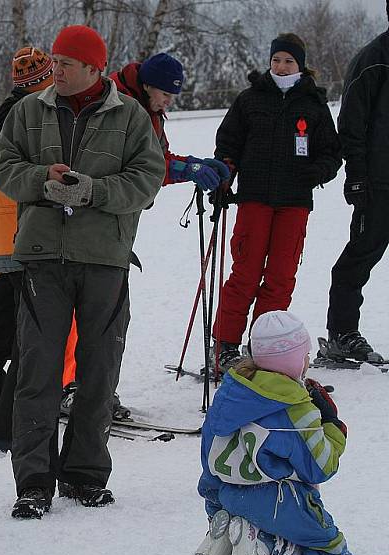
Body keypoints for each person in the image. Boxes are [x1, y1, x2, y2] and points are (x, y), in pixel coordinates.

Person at [0, 24, 164, 519]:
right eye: (56, 61)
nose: (57, 70)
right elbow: (3, 166)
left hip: (104, 259)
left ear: (94, 68)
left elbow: (147, 180)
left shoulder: (130, 116)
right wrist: (42, 180)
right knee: (36, 372)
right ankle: (34, 481)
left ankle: (86, 475)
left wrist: (94, 191)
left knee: (99, 372)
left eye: (67, 63)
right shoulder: (29, 110)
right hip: (43, 258)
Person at [61, 52, 230, 407]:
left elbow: (156, 161)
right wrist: (183, 170)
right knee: (89, 310)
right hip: (91, 219)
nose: (168, 102)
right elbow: (135, 165)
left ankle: (91, 388)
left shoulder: (150, 112)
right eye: (166, 95)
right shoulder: (117, 104)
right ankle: (73, 387)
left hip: (119, 221)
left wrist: (190, 166)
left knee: (108, 311)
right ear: (148, 85)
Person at [191, 310, 354, 555]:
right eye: (305, 356)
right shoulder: (294, 408)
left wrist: (215, 503)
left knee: (248, 516)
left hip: (226, 495)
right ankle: (270, 546)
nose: (309, 361)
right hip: (278, 500)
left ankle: (231, 536)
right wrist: (331, 424)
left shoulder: (229, 394)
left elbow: (210, 456)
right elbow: (321, 467)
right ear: (294, 362)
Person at [212, 33, 341, 371]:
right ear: (269, 62)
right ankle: (225, 346)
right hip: (254, 198)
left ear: (301, 66)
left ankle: (263, 348)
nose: (281, 67)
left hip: (295, 203)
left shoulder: (313, 105)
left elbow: (331, 152)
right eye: (276, 60)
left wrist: (316, 173)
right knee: (245, 273)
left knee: (281, 277)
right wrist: (224, 175)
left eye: (288, 61)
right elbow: (228, 143)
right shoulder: (250, 99)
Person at [0, 46, 54, 453]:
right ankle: (7, 430)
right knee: (26, 341)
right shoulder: (28, 120)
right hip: (24, 242)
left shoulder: (1, 118)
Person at [324, 4, 389, 363]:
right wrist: (358, 175)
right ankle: (343, 334)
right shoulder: (373, 59)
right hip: (378, 184)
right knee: (359, 258)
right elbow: (351, 122)